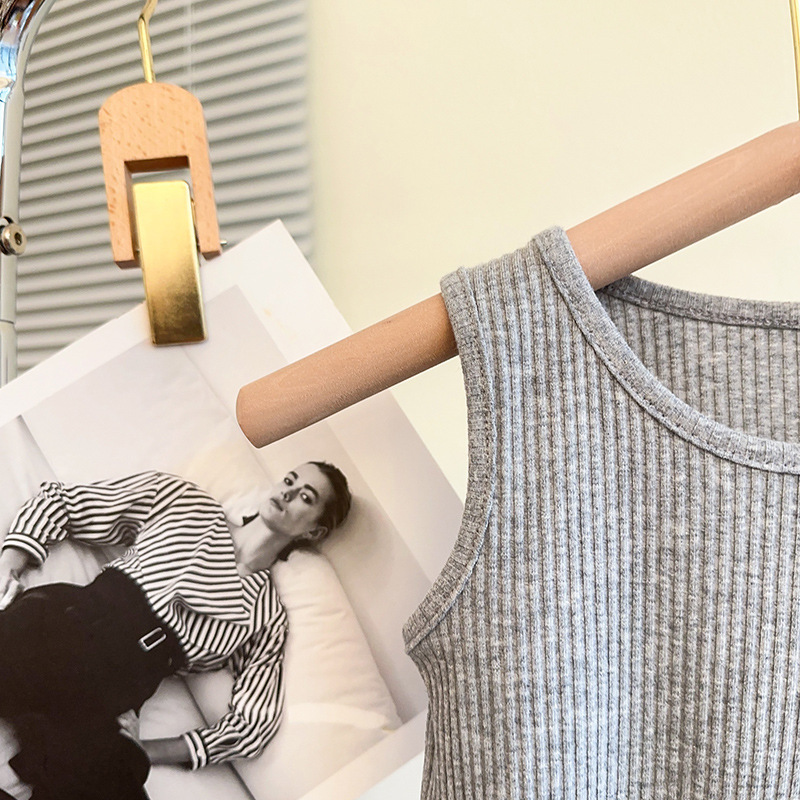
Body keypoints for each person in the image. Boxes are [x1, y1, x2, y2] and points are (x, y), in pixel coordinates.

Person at [0, 462, 352, 800]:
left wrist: (146, 749)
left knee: (115, 784)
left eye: (306, 497)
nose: (288, 493)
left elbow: (252, 725)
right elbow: (64, 503)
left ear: (314, 532)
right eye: (289, 480)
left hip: (115, 691)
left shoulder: (266, 616)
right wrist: (9, 565)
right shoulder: (186, 502)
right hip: (64, 626)